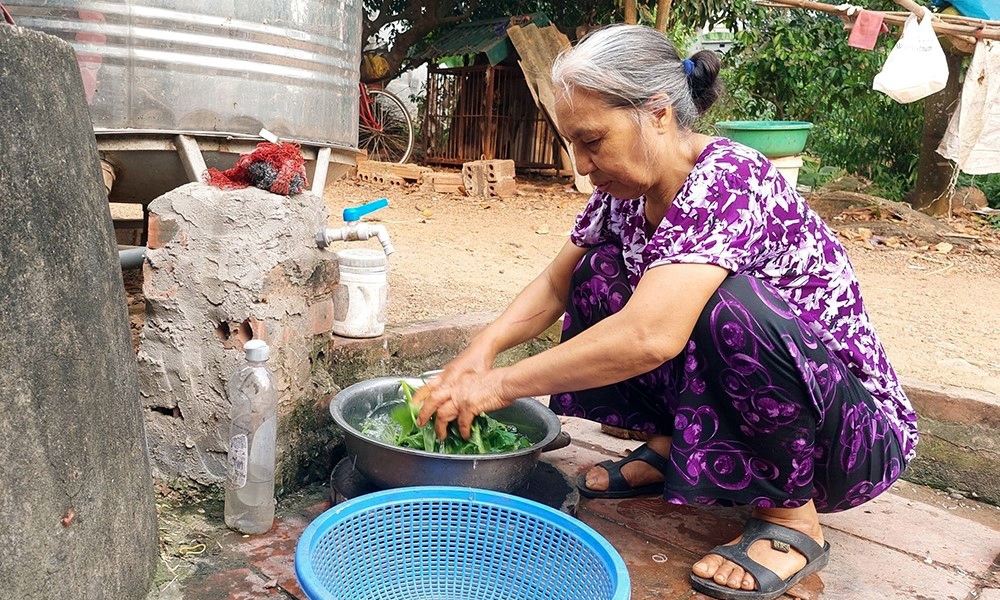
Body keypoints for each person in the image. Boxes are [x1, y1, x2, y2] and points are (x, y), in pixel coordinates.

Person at [413, 23, 917, 600]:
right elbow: (556, 284)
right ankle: (671, 444)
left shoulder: (732, 181)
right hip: (790, 413)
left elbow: (650, 337)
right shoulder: (624, 194)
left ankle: (790, 517)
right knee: (598, 272)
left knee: (724, 311)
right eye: (571, 143)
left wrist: (496, 387)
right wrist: (481, 349)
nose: (580, 164)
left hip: (846, 440)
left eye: (593, 141)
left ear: (657, 113)